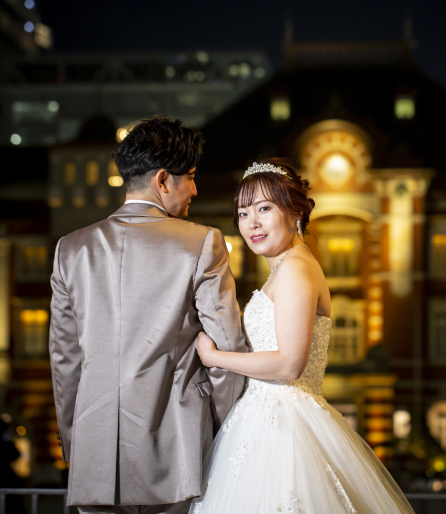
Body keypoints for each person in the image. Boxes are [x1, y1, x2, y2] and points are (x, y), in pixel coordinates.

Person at [191, 158, 414, 513]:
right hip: (265, 420)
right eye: (243, 213)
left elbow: (290, 362)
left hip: (285, 425)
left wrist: (214, 357)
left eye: (264, 208)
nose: (252, 223)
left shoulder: (295, 268)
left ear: (294, 212)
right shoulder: (287, 266)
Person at [49, 116, 247, 513]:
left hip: (96, 452)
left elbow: (65, 360)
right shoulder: (202, 243)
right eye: (189, 176)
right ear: (162, 180)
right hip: (178, 449)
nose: (195, 188)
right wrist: (229, 428)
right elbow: (228, 348)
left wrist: (76, 440)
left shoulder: (70, 249)